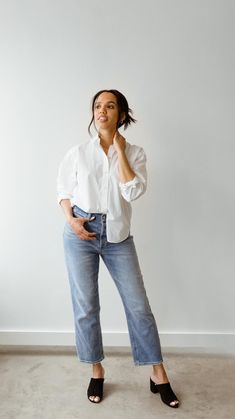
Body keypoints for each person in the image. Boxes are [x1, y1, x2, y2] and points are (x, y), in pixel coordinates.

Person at [56, 89, 180, 408]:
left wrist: (119, 151)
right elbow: (63, 191)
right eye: (98, 106)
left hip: (117, 235)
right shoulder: (78, 153)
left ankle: (158, 374)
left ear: (121, 115)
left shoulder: (136, 153)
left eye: (110, 106)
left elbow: (134, 190)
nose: (102, 111)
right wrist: (71, 221)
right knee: (86, 307)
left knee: (138, 306)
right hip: (81, 232)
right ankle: (96, 370)